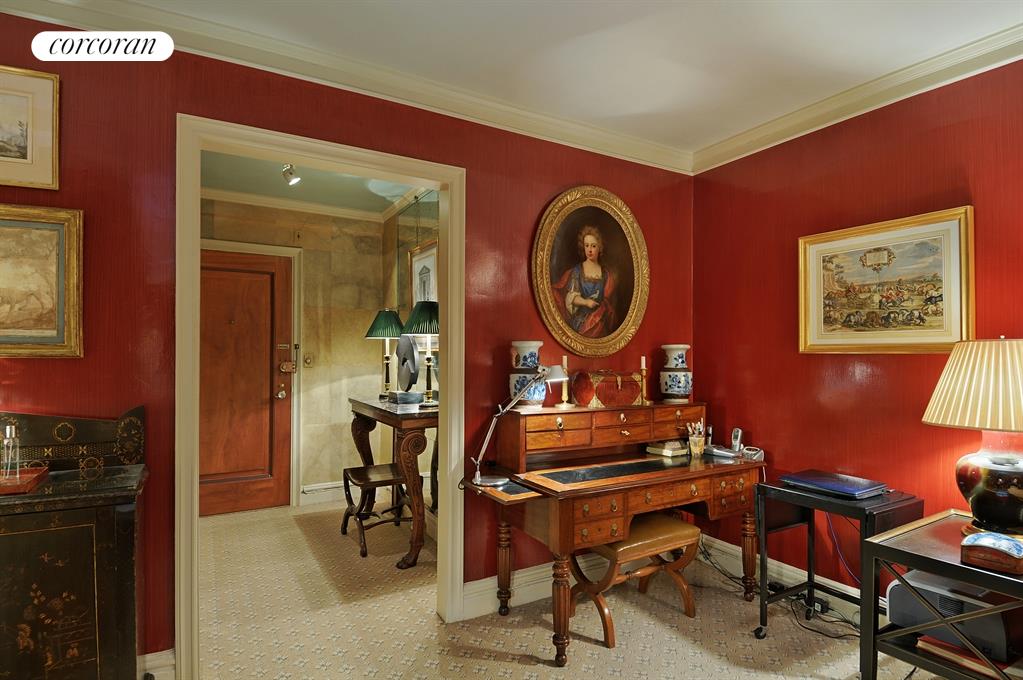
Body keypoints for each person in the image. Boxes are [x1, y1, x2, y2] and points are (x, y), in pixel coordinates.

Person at [552, 225, 617, 337]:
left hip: (600, 323)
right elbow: (571, 297)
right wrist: (586, 302)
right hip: (582, 323)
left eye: (593, 246)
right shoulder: (577, 271)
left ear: (599, 248)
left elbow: (609, 302)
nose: (590, 250)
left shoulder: (606, 274)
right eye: (587, 245)